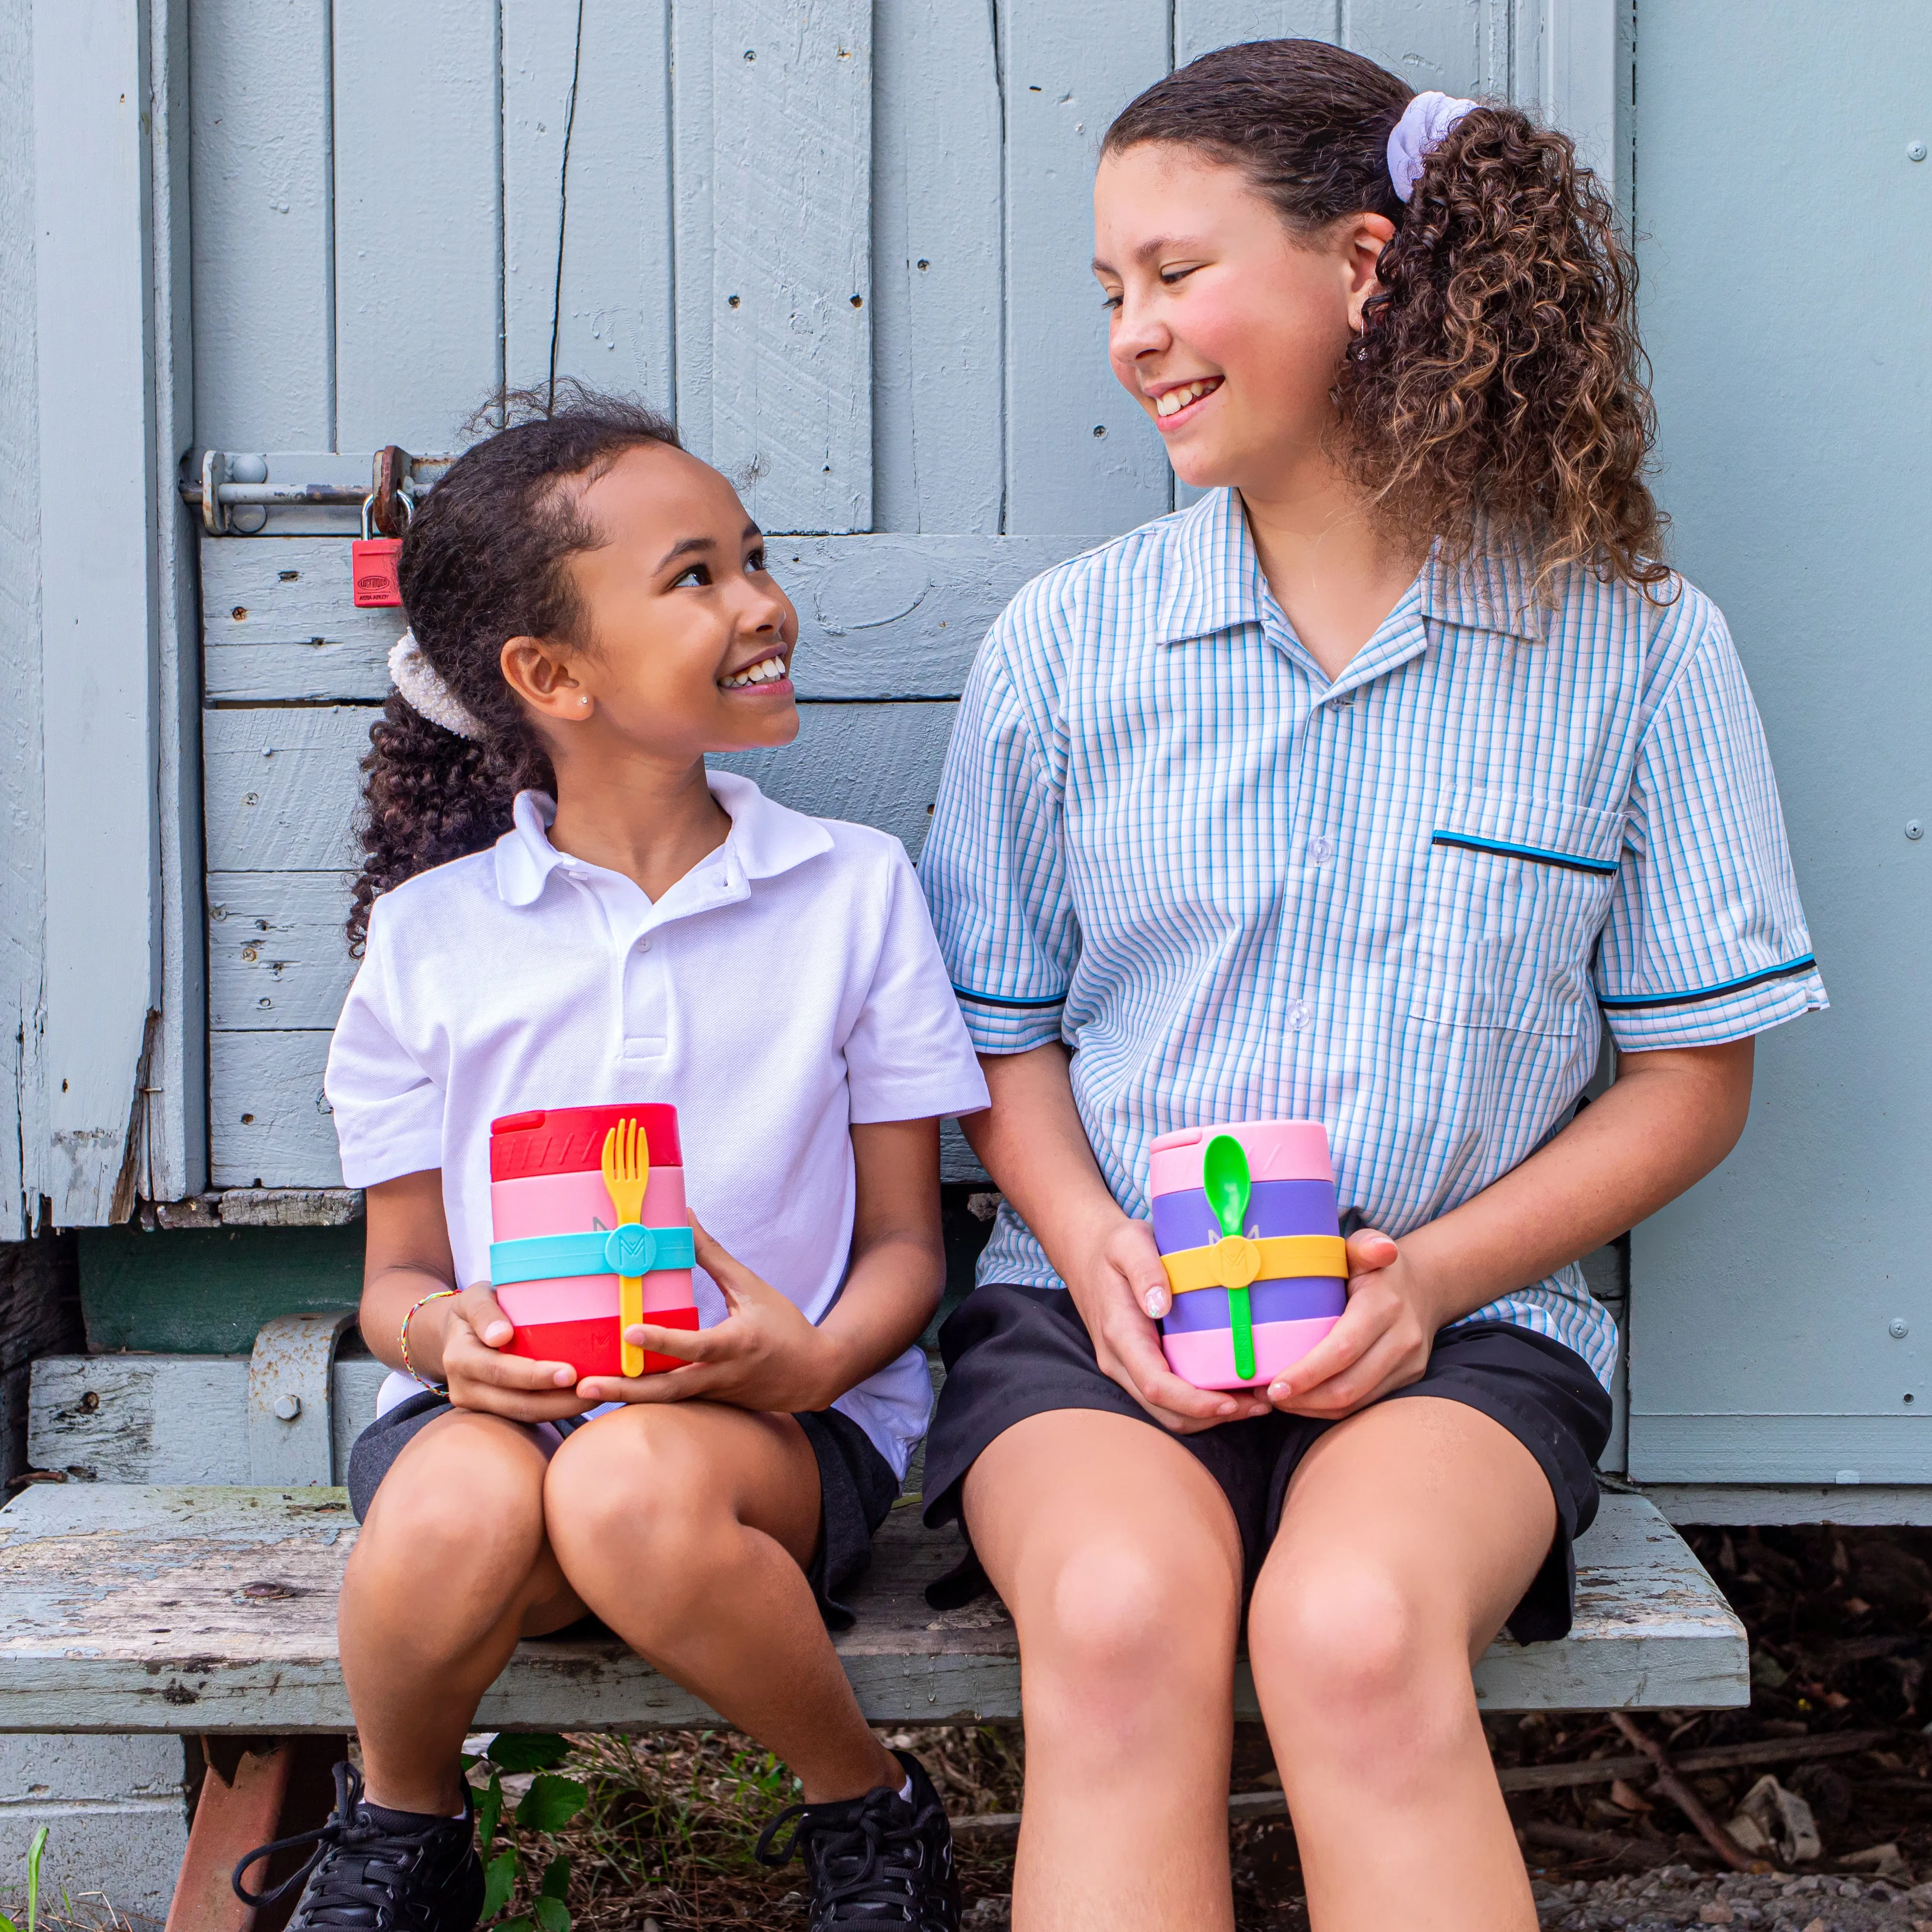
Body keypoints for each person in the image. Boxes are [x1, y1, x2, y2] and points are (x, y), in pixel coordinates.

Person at [917, 40, 1824, 1932]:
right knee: (1116, 1614)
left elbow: (1693, 1079)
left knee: (1345, 1628)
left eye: (1173, 274)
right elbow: (995, 1035)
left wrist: (1424, 1280)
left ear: (1361, 267)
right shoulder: (1069, 653)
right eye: (1109, 293)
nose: (1131, 336)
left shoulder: (1632, 643)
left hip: (1464, 1323)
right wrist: (1084, 1240)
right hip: (1097, 1316)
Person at [236, 389, 985, 1932]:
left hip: (764, 1439)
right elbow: (396, 1284)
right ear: (549, 676)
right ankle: (404, 1830)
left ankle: (871, 1811)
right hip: (494, 1427)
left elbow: (911, 1240)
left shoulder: (851, 892)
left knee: (633, 1487)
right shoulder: (438, 941)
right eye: (697, 575)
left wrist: (810, 1359)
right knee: (452, 1513)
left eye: (754, 556)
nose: (764, 603)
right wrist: (444, 1341)